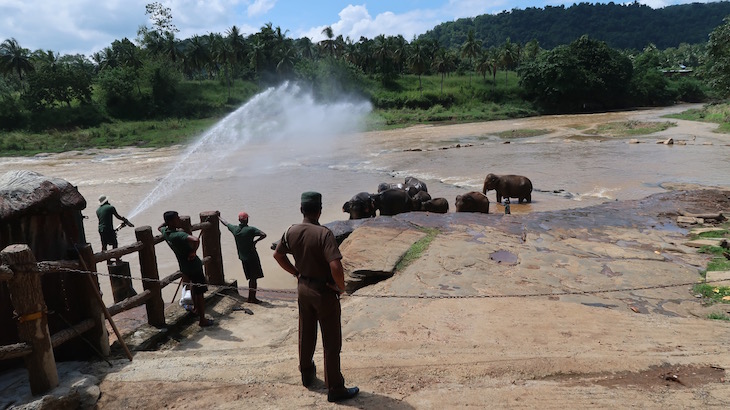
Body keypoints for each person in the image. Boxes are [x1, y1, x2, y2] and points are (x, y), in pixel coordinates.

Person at [273, 191, 359, 403]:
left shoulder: (290, 231)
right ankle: (335, 388)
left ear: (301, 209)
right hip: (324, 292)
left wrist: (295, 273)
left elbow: (277, 255)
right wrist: (341, 288)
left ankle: (307, 374)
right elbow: (335, 265)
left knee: (306, 332)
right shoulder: (324, 234)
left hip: (303, 288)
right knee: (331, 341)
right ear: (319, 210)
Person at [158, 211, 214, 327]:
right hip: (194, 265)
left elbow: (160, 227)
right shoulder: (178, 235)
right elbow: (195, 240)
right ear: (170, 222)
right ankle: (202, 320)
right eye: (176, 219)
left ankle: (195, 309)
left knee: (193, 286)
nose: (179, 220)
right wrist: (193, 252)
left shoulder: (166, 233)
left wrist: (167, 221)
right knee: (200, 293)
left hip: (184, 267)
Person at [218, 211, 267, 304]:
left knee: (250, 277)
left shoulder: (235, 230)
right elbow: (263, 234)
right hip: (252, 256)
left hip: (243, 257)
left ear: (239, 220)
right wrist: (255, 242)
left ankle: (250, 298)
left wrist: (219, 217)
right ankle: (252, 298)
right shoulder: (251, 230)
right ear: (247, 219)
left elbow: (226, 223)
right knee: (254, 279)